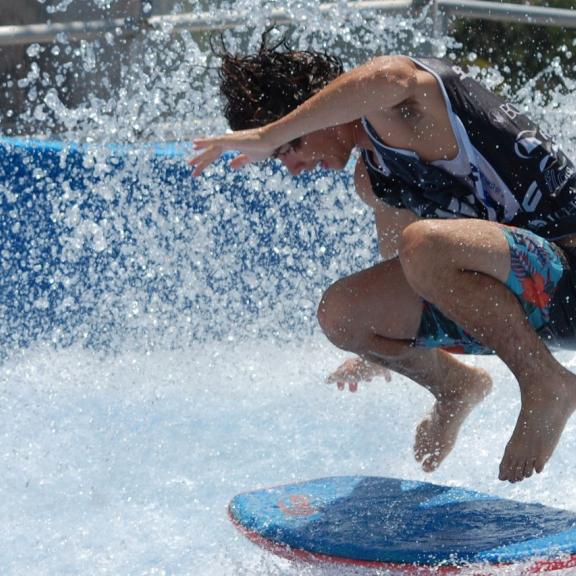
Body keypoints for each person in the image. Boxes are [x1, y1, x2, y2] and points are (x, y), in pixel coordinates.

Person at [189, 31, 576, 484]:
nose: (292, 166)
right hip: (528, 304)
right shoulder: (374, 176)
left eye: (288, 148)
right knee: (342, 314)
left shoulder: (404, 110)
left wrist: (267, 133)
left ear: (317, 110)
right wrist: (381, 348)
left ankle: (545, 381)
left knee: (424, 243)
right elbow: (414, 277)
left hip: (568, 273)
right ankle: (455, 387)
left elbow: (391, 74)